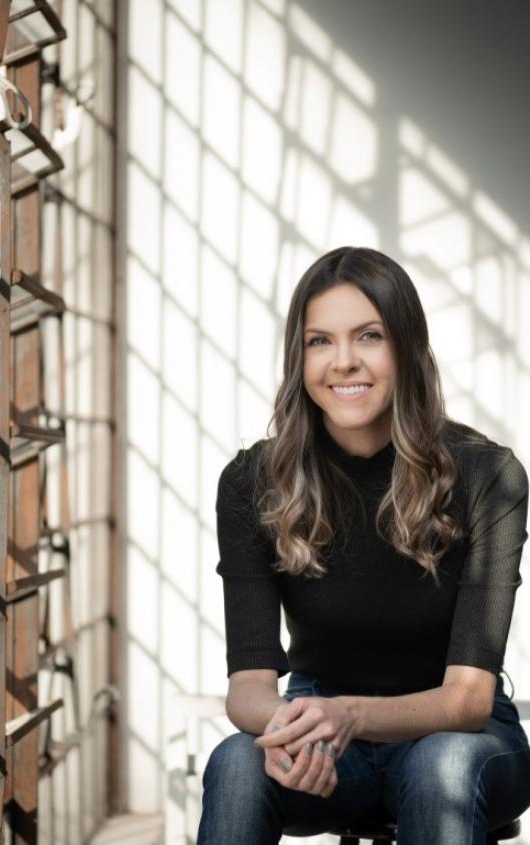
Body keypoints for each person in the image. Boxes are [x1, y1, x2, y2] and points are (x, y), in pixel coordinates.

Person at [196, 246, 530, 845]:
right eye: (319, 341)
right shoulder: (252, 482)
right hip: (322, 732)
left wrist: (350, 716)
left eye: (369, 336)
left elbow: (468, 700)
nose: (343, 361)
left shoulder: (489, 476)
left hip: (457, 739)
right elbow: (248, 687)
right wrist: (289, 727)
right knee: (237, 763)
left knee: (444, 766)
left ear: (408, 348)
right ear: (299, 358)